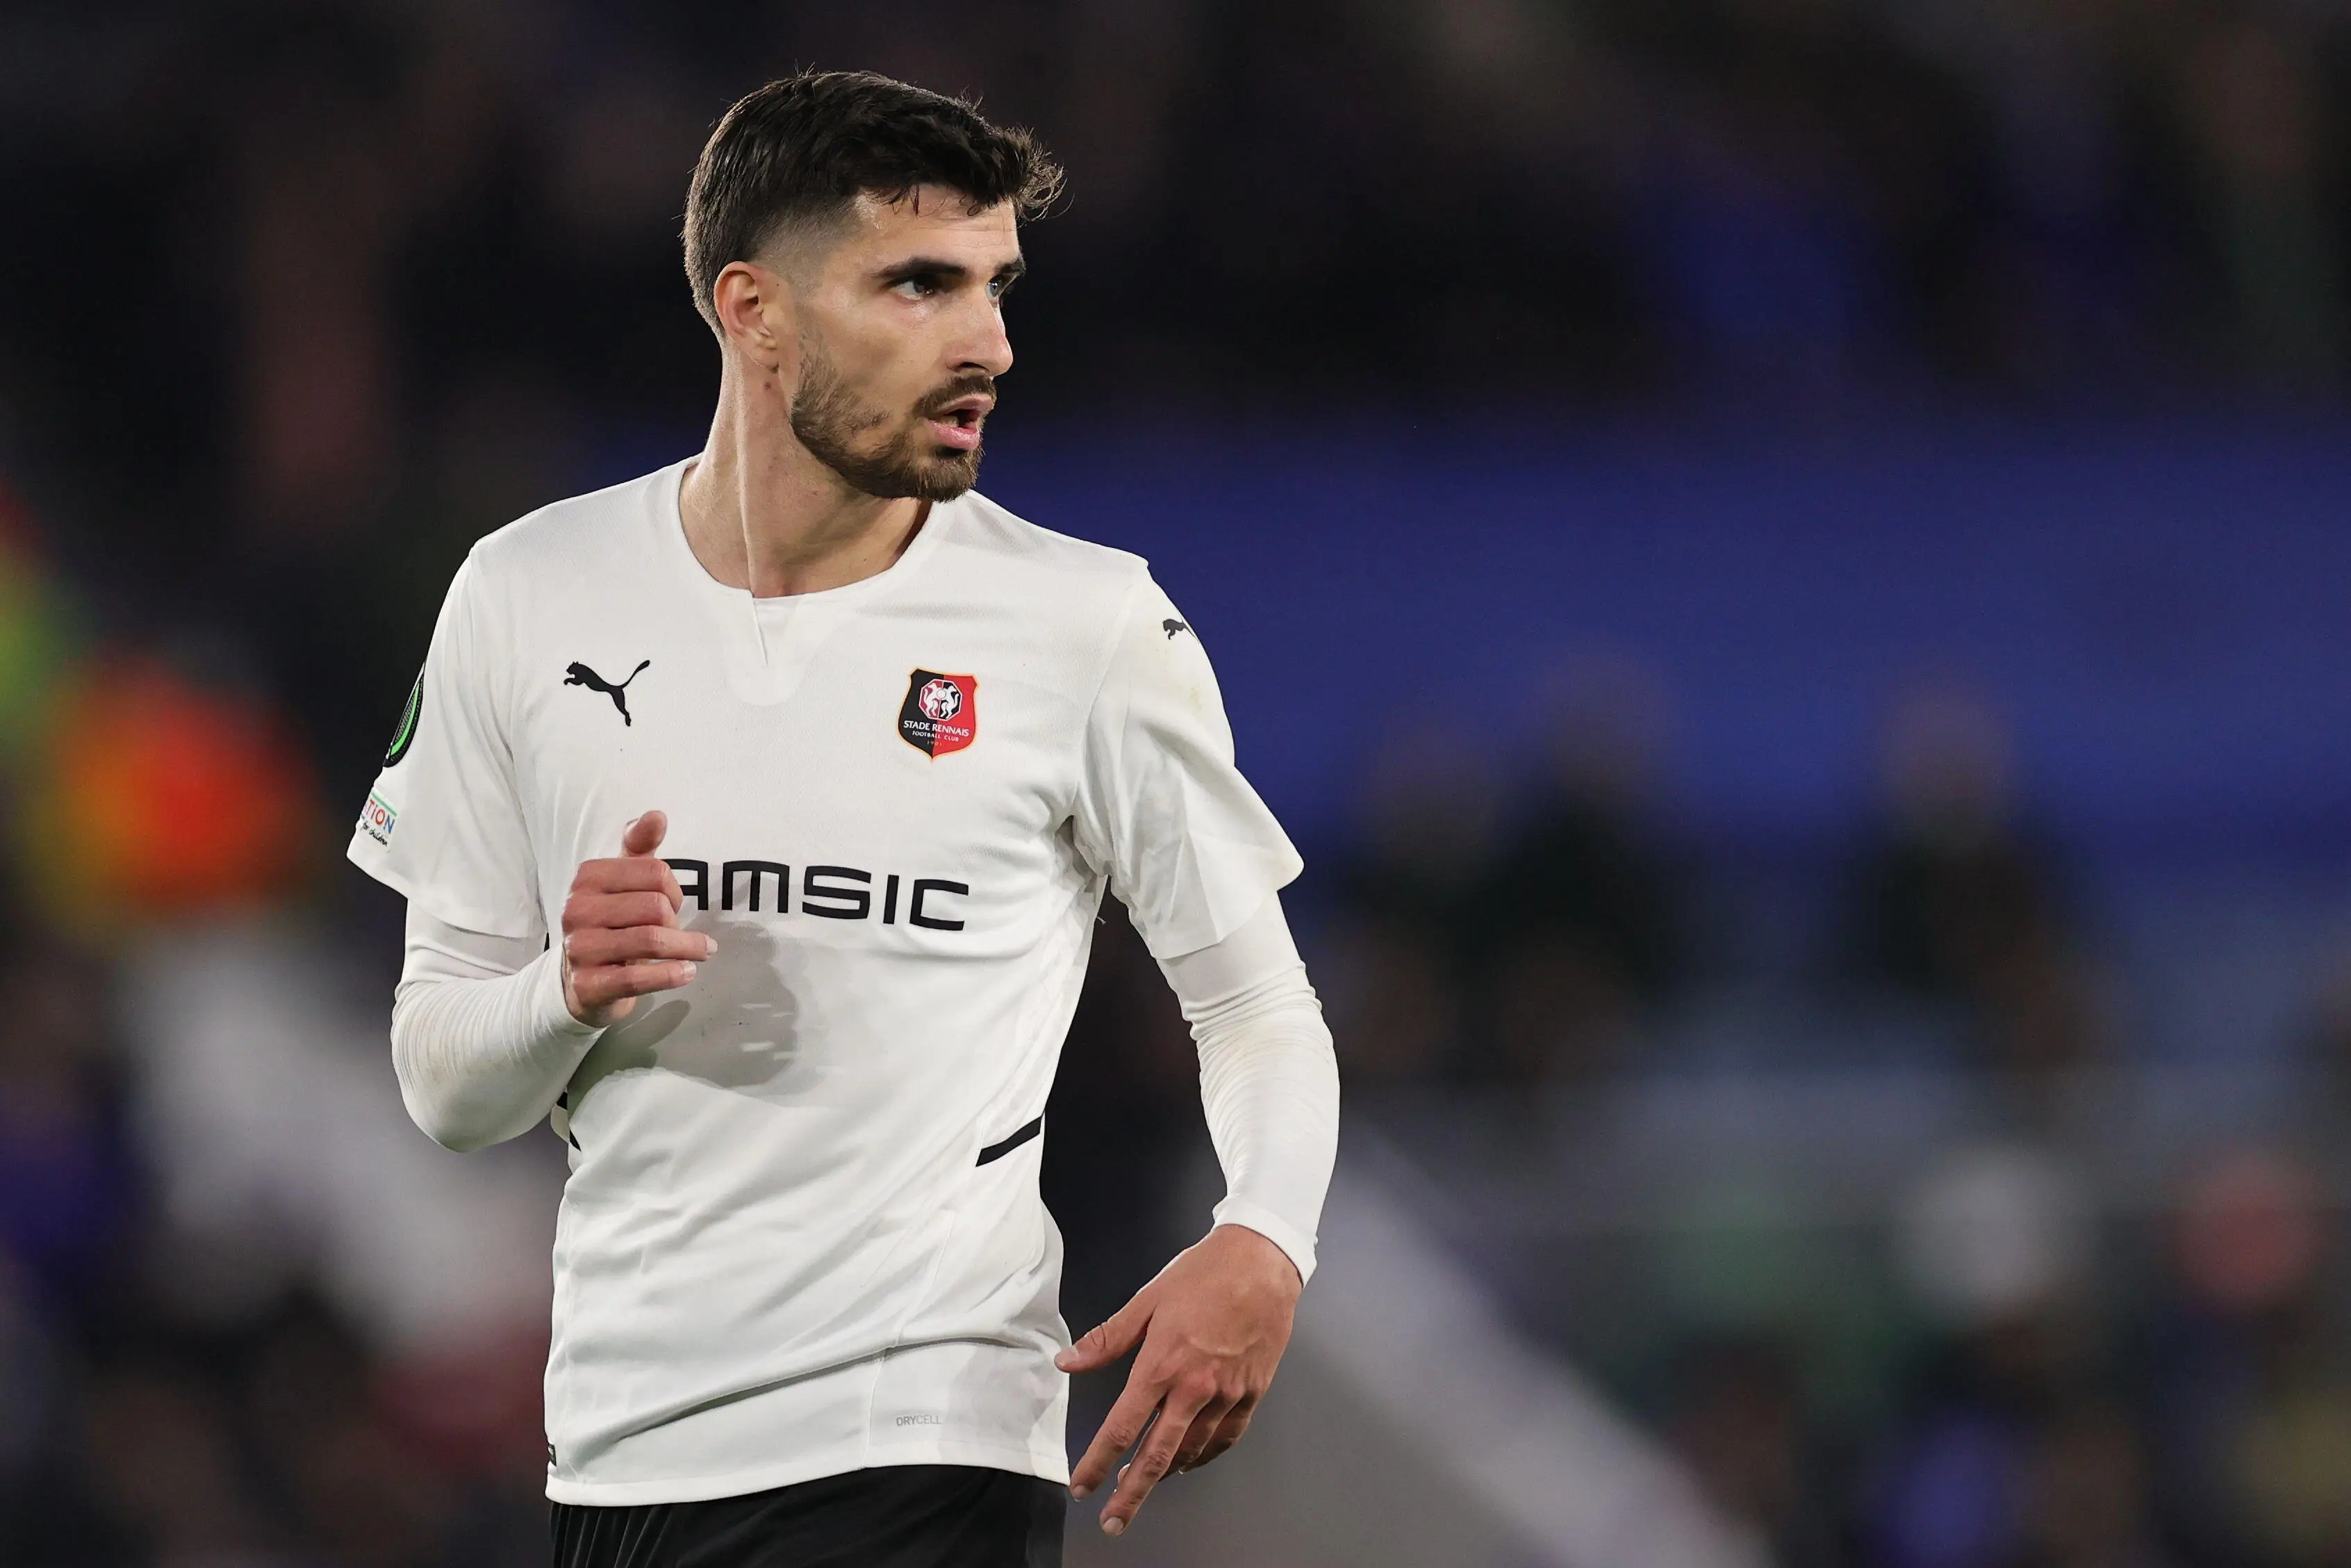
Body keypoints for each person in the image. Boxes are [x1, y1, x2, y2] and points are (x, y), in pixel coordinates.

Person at [346, 70, 1339, 1568]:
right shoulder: (526, 594)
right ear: (754, 311)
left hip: (925, 1445)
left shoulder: (1084, 625)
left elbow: (1257, 1004)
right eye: (920, 285)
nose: (988, 342)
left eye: (996, 287)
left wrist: (1263, 1235)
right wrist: (563, 992)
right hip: (615, 1457)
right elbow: (444, 1085)